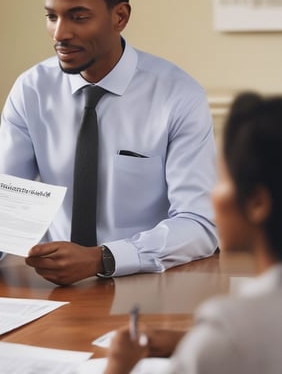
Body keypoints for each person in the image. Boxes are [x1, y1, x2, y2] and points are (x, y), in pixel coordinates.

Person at [0, 0, 218, 285]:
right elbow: (1, 203)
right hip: (52, 289)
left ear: (119, 16)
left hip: (150, 285)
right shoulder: (31, 90)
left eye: (78, 17)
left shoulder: (178, 95)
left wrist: (103, 258)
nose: (60, 34)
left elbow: (200, 225)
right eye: (51, 16)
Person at [104, 92, 282, 374]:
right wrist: (193, 340)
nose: (212, 196)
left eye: (222, 180)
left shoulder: (229, 329)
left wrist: (117, 366)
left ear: (258, 203)